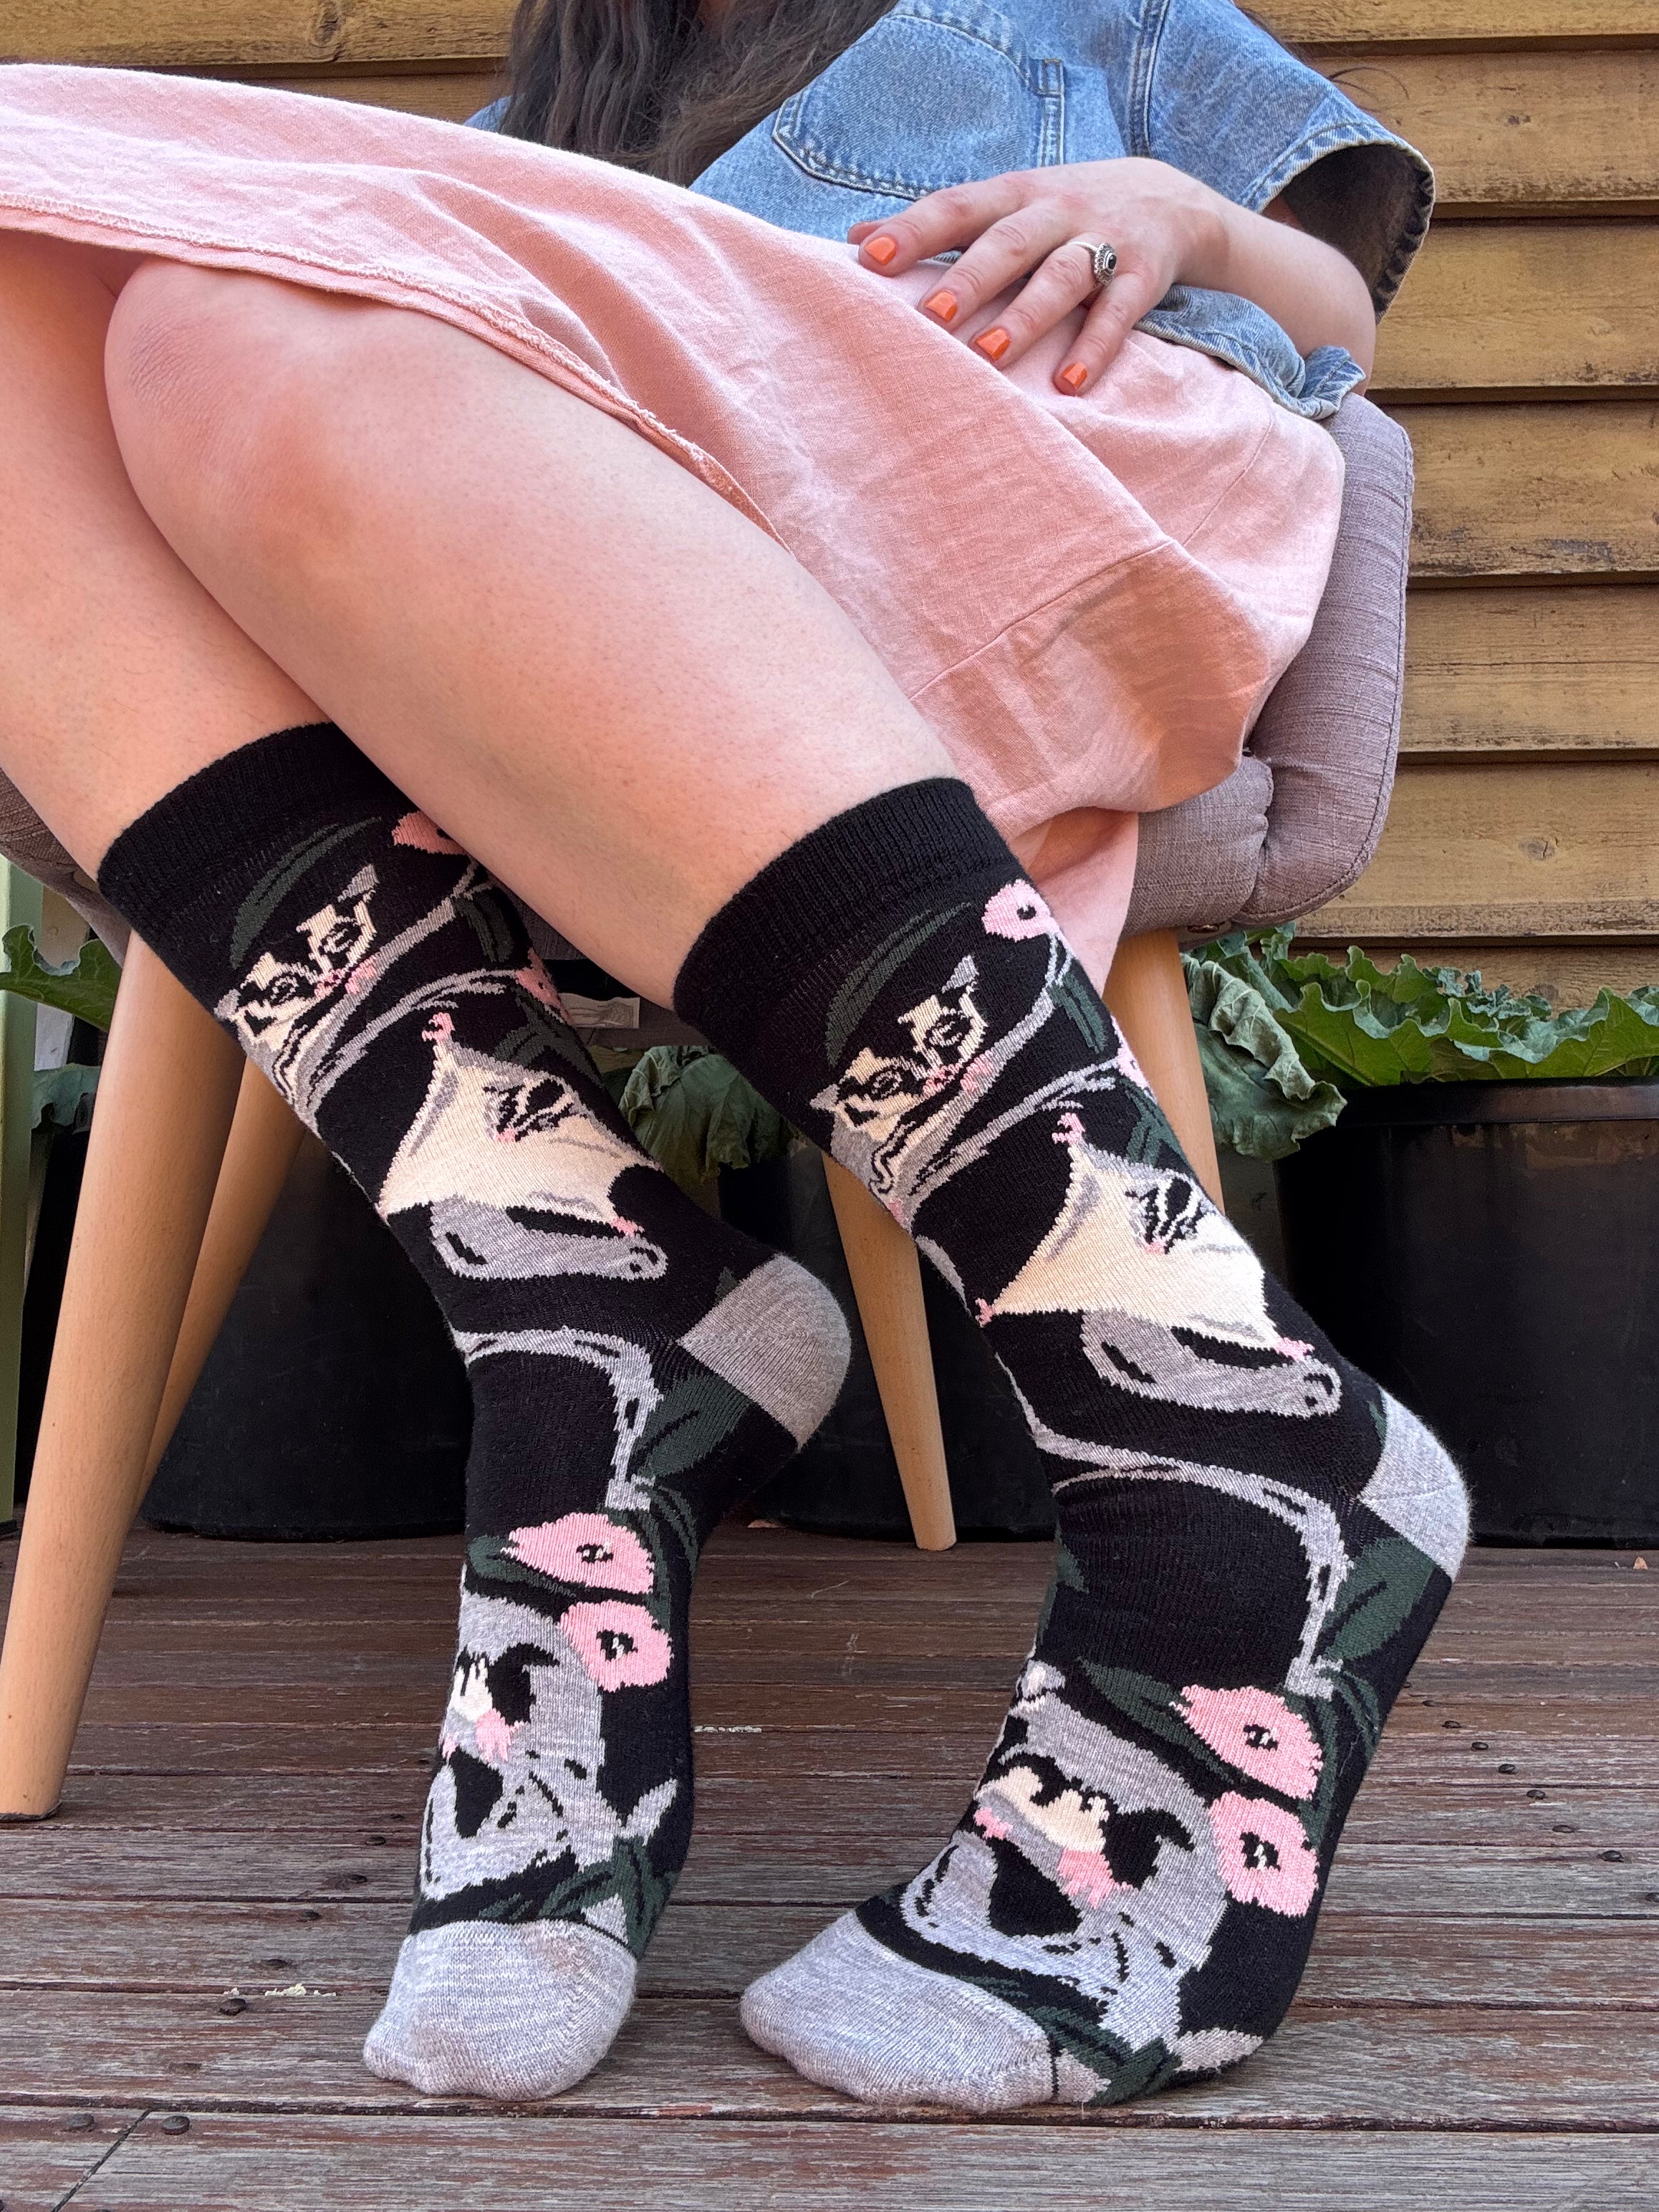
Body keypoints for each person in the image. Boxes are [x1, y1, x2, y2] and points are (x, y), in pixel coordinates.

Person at [0, 0, 1464, 2115]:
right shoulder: (555, 115)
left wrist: (1175, 216)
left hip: (1048, 508)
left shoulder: (1076, 13)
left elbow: (1334, 305)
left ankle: (1204, 1407)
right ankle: (557, 1270)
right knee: (123, 316)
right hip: (630, 604)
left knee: (176, 286)